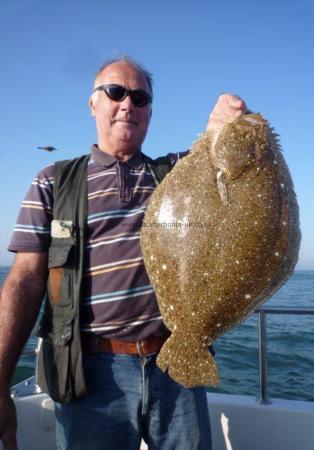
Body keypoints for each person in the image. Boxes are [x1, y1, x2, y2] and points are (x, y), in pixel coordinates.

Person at [0, 56, 247, 450]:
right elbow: (25, 280)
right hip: (91, 374)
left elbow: (221, 152)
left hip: (176, 364)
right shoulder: (53, 182)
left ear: (150, 110)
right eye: (115, 92)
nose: (127, 104)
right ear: (93, 103)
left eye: (140, 97)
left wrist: (225, 114)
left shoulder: (179, 174)